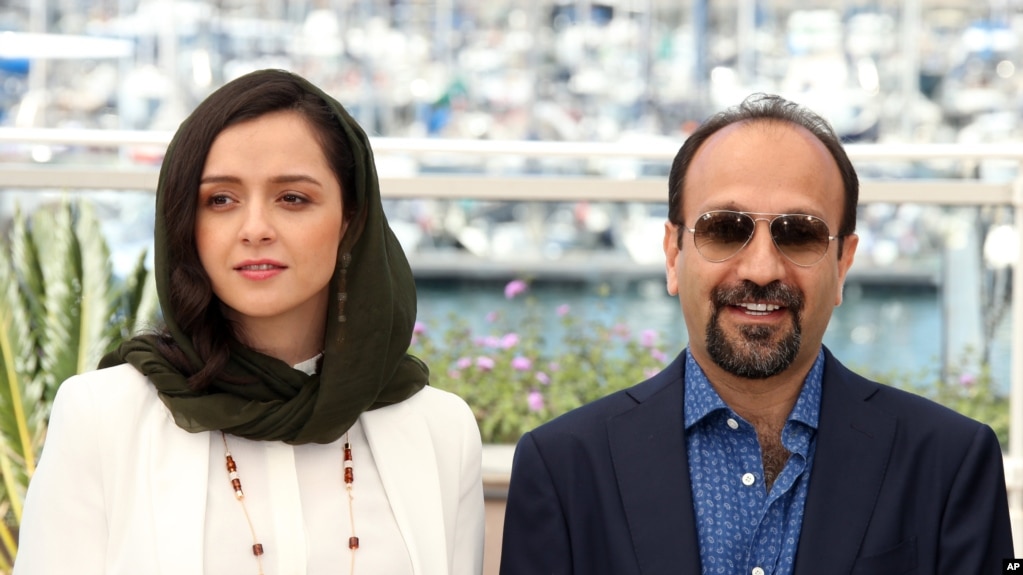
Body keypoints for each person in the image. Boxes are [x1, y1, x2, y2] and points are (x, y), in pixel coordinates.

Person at [499, 93, 1014, 574]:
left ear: (844, 262)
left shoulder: (951, 465)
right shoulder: (563, 470)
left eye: (799, 233)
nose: (763, 268)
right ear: (674, 255)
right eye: (725, 228)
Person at [15, 69, 485, 575]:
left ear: (351, 218)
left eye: (293, 198)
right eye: (220, 200)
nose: (255, 228)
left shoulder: (439, 429)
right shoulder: (103, 417)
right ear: (185, 223)